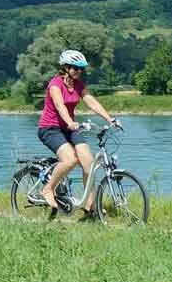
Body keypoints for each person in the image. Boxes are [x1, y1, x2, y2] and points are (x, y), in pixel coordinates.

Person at [37, 49, 119, 214]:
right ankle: (47, 189)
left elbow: (92, 102)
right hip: (50, 128)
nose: (79, 71)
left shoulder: (78, 84)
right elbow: (60, 106)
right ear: (66, 67)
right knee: (70, 160)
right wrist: (69, 122)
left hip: (69, 128)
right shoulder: (55, 84)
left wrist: (110, 119)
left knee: (88, 163)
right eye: (75, 68)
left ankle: (90, 206)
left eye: (81, 69)